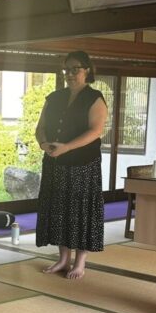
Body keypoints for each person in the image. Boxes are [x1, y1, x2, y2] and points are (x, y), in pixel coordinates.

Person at [34, 51, 108, 280]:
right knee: (59, 209)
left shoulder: (94, 97)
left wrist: (67, 147)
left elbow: (95, 131)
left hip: (83, 165)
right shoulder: (54, 97)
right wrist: (44, 143)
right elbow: (41, 127)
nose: (70, 74)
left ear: (87, 70)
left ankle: (80, 261)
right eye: (66, 69)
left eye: (75, 69)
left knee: (80, 211)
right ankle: (63, 258)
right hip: (56, 162)